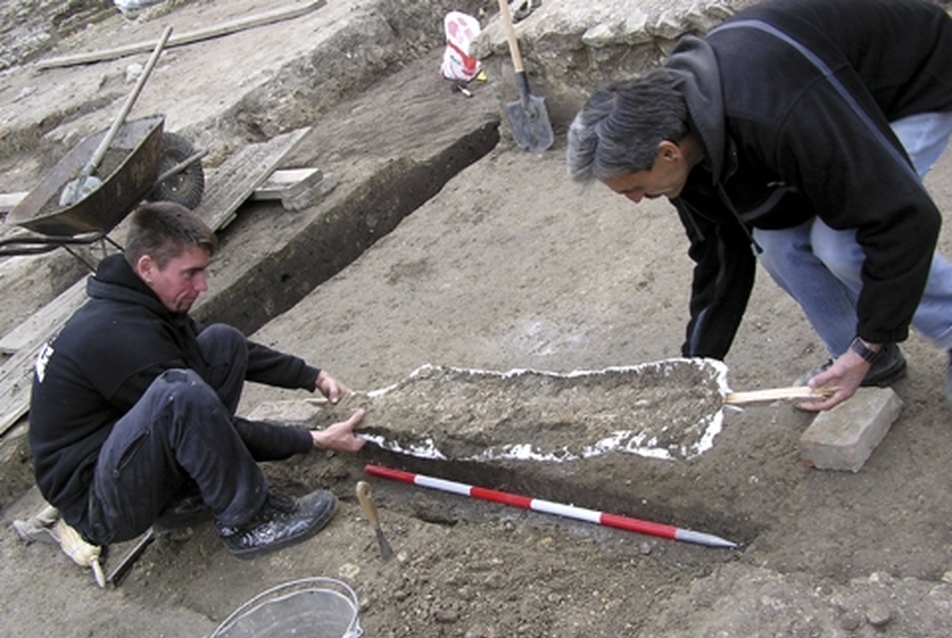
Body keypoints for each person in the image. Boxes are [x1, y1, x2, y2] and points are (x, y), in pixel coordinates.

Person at [566, 0, 952, 411]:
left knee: (841, 245)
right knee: (776, 243)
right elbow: (720, 254)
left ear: (667, 153)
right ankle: (861, 359)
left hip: (910, 86)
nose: (636, 201)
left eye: (636, 188)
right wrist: (693, 370)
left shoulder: (772, 113)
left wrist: (870, 342)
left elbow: (903, 217)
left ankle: (891, 346)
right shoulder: (684, 143)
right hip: (831, 118)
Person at [28, 201, 367, 560]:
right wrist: (313, 439)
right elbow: (206, 423)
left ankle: (183, 491)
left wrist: (311, 375)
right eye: (190, 274)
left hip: (120, 456)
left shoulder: (139, 304)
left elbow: (221, 353)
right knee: (178, 394)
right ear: (147, 267)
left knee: (222, 342)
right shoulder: (119, 337)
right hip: (100, 503)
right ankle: (249, 521)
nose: (202, 285)